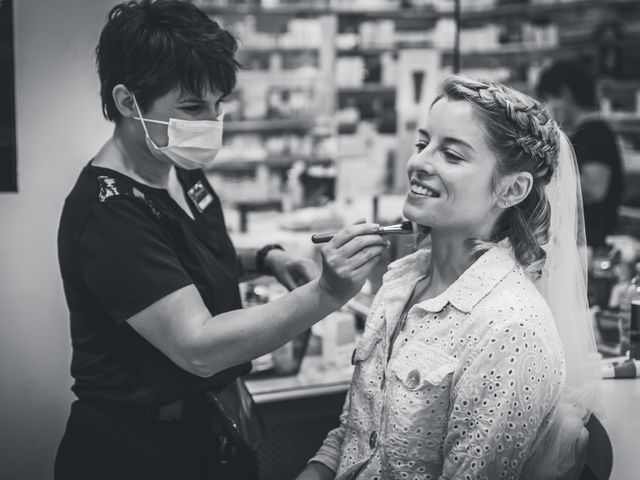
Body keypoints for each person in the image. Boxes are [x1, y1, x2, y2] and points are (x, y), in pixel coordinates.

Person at [54, 1, 390, 479]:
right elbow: (199, 348)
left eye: (218, 105)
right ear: (129, 102)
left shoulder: (178, 169)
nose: (211, 123)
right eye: (192, 107)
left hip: (214, 433)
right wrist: (326, 294)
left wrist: (264, 258)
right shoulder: (110, 210)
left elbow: (182, 255)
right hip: (141, 452)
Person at [297, 75, 600, 480]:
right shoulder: (399, 282)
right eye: (423, 144)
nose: (418, 163)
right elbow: (354, 435)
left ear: (512, 190)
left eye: (452, 156)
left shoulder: (510, 328)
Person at [536, 59, 624, 249]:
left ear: (565, 94)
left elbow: (594, 189)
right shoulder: (580, 134)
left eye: (550, 98)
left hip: (594, 244)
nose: (548, 107)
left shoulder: (595, 134)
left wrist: (543, 171)